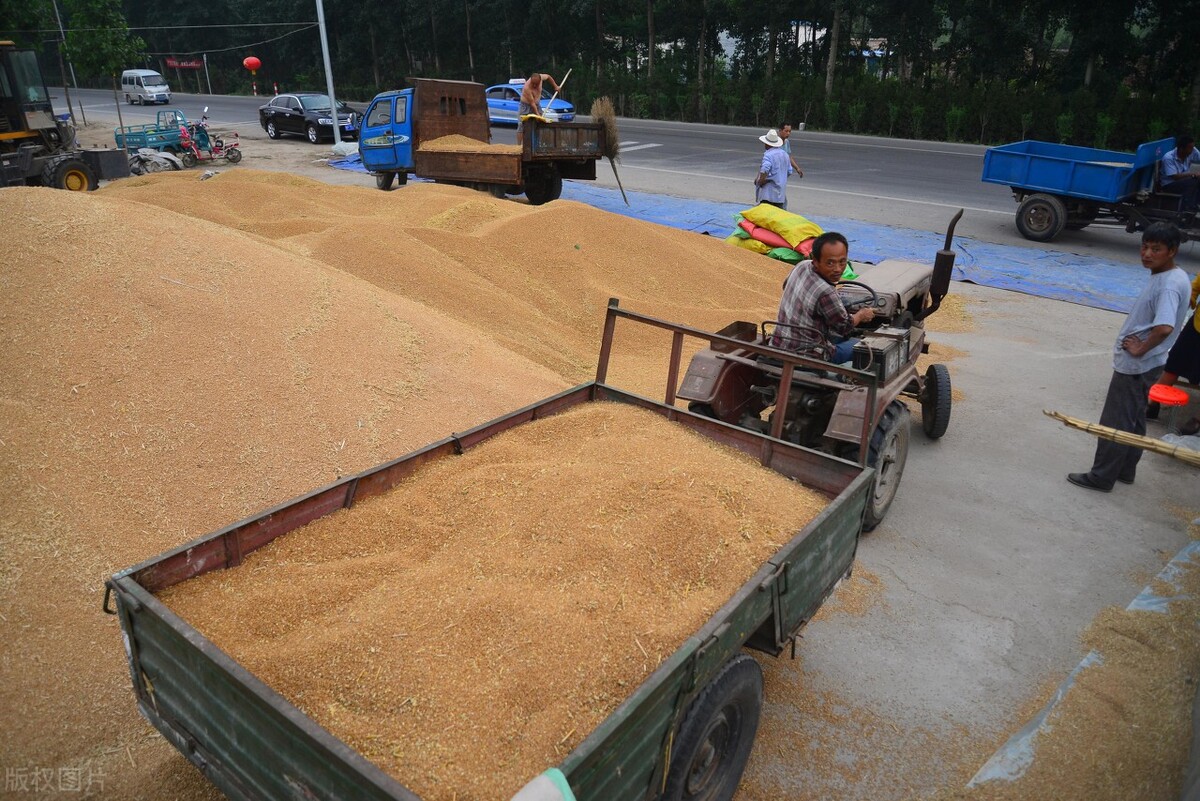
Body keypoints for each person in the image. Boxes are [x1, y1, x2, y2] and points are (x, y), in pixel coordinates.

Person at [1068, 222, 1192, 491]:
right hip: (1150, 362)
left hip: (1137, 364)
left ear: (1172, 251)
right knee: (1134, 419)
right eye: (1145, 247)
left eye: (1156, 249)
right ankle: (1125, 470)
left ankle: (1101, 476)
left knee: (1116, 422)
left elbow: (1165, 327)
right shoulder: (1173, 276)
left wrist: (1141, 348)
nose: (1147, 254)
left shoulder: (1169, 285)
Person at [770, 231, 876, 364]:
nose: (838, 269)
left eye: (842, 262)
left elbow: (785, 286)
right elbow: (845, 327)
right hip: (808, 356)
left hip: (779, 342)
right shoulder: (826, 292)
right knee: (864, 346)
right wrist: (861, 315)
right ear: (816, 260)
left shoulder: (802, 265)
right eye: (830, 263)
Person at [1147, 270, 1200, 435]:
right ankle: (1152, 402)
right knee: (1174, 364)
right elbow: (1196, 287)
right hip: (1197, 326)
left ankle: (1198, 419)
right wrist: (1186, 301)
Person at [1160, 134, 1200, 213]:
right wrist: (1193, 174)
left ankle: (1196, 204)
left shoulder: (1192, 151)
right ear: (1182, 149)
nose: (1192, 150)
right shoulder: (1169, 157)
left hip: (1183, 182)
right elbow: (1175, 176)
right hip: (1169, 185)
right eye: (1190, 148)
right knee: (1192, 181)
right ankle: (1187, 208)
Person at [755, 128, 790, 209]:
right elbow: (789, 171)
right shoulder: (785, 155)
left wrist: (761, 181)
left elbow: (764, 169)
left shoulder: (768, 155)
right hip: (780, 195)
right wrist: (780, 178)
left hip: (768, 195)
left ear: (767, 144)